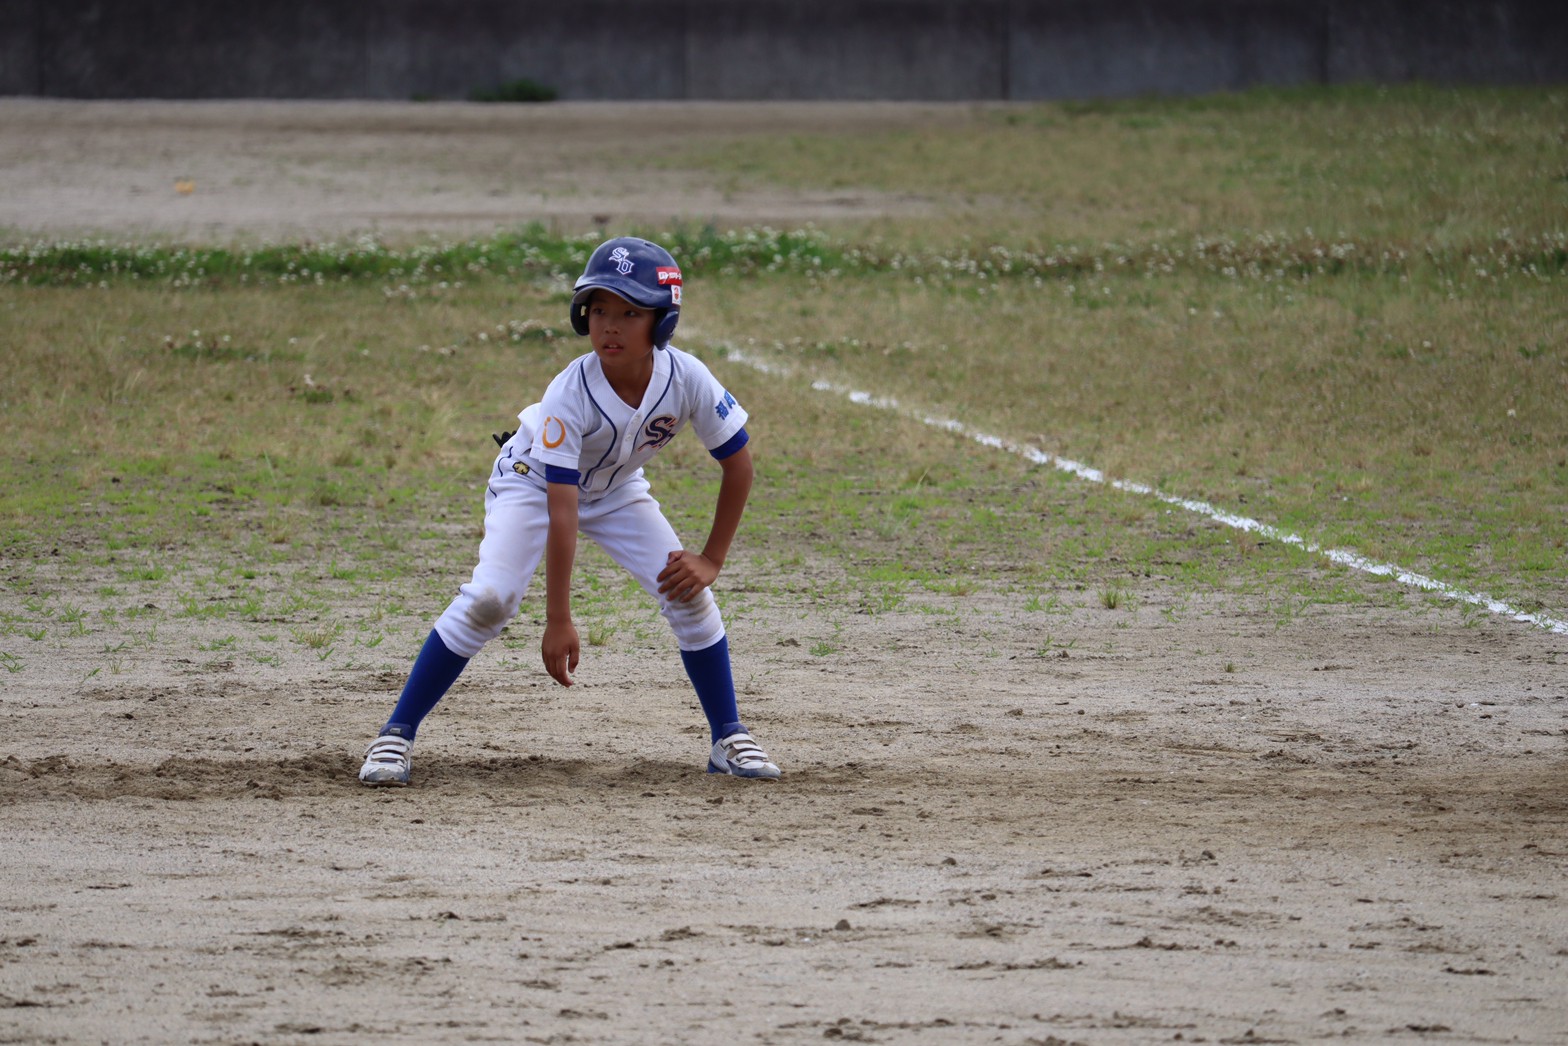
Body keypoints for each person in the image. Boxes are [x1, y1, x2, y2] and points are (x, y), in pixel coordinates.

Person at [357, 236, 780, 786]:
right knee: (490, 599)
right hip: (532, 482)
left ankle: (729, 736)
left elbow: (739, 465)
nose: (611, 324)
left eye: (630, 312)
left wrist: (711, 559)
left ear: (663, 321)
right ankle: (395, 735)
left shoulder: (686, 377)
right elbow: (562, 510)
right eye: (599, 309)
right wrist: (558, 619)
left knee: (690, 593)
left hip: (616, 488)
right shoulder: (569, 392)